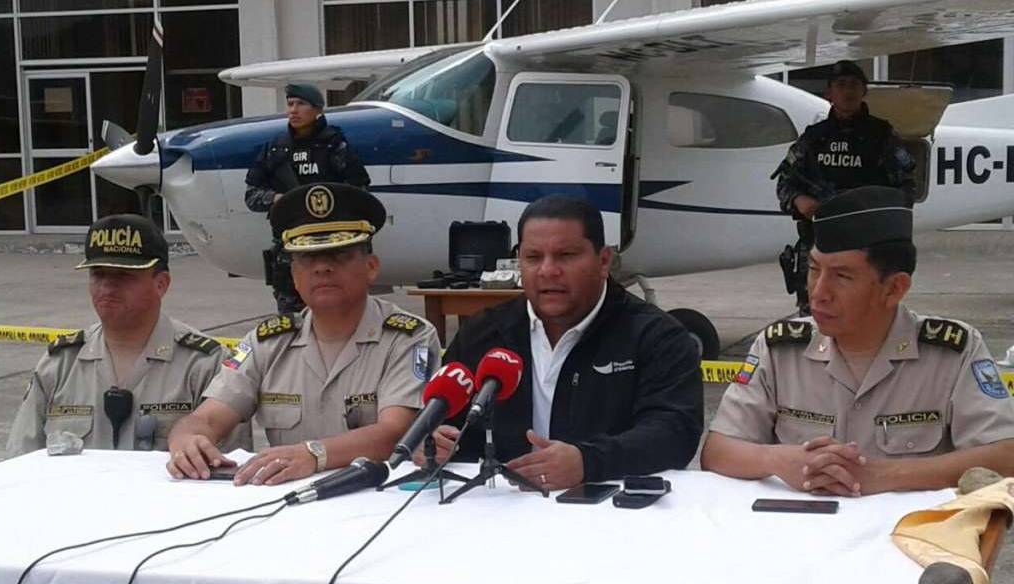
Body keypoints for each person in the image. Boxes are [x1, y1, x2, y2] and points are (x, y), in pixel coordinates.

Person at [702, 186, 1014, 497]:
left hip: (909, 538)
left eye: (842, 276)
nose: (819, 292)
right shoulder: (780, 349)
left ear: (893, 289)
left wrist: (884, 475)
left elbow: (1005, 457)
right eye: (813, 270)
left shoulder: (952, 352)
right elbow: (717, 451)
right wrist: (778, 460)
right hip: (800, 533)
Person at [419, 195, 704, 490]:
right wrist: (432, 441)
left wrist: (587, 461)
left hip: (607, 508)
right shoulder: (483, 332)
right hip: (500, 508)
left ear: (604, 260)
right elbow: (447, 418)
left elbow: (676, 433)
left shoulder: (656, 335)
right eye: (533, 257)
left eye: (566, 255)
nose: (547, 271)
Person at [166, 182, 440, 486]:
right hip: (281, 504)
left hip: (375, 501)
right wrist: (187, 438)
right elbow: (208, 418)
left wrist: (314, 454)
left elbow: (395, 432)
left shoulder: (409, 337)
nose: (322, 268)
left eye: (338, 254)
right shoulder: (266, 342)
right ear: (295, 276)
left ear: (371, 267)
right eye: (307, 258)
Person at [6, 214, 239, 456]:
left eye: (123, 276)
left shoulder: (203, 364)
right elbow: (21, 458)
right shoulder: (60, 363)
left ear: (161, 284)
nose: (106, 287)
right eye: (98, 274)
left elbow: (228, 470)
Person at [776, 60, 916, 315]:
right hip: (820, 245)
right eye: (841, 85)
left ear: (864, 92)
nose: (848, 91)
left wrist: (875, 213)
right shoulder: (813, 138)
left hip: (867, 247)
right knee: (817, 314)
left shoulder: (881, 136)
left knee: (866, 314)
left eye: (854, 85)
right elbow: (786, 181)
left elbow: (906, 189)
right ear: (829, 94)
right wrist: (799, 201)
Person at [245, 83, 371, 314]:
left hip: (332, 245)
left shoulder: (334, 145)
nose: (293, 110)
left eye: (301, 104)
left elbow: (359, 193)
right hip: (291, 250)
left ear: (317, 110)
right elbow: (251, 196)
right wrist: (276, 198)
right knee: (292, 327)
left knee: (340, 314)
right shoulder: (275, 148)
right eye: (290, 104)